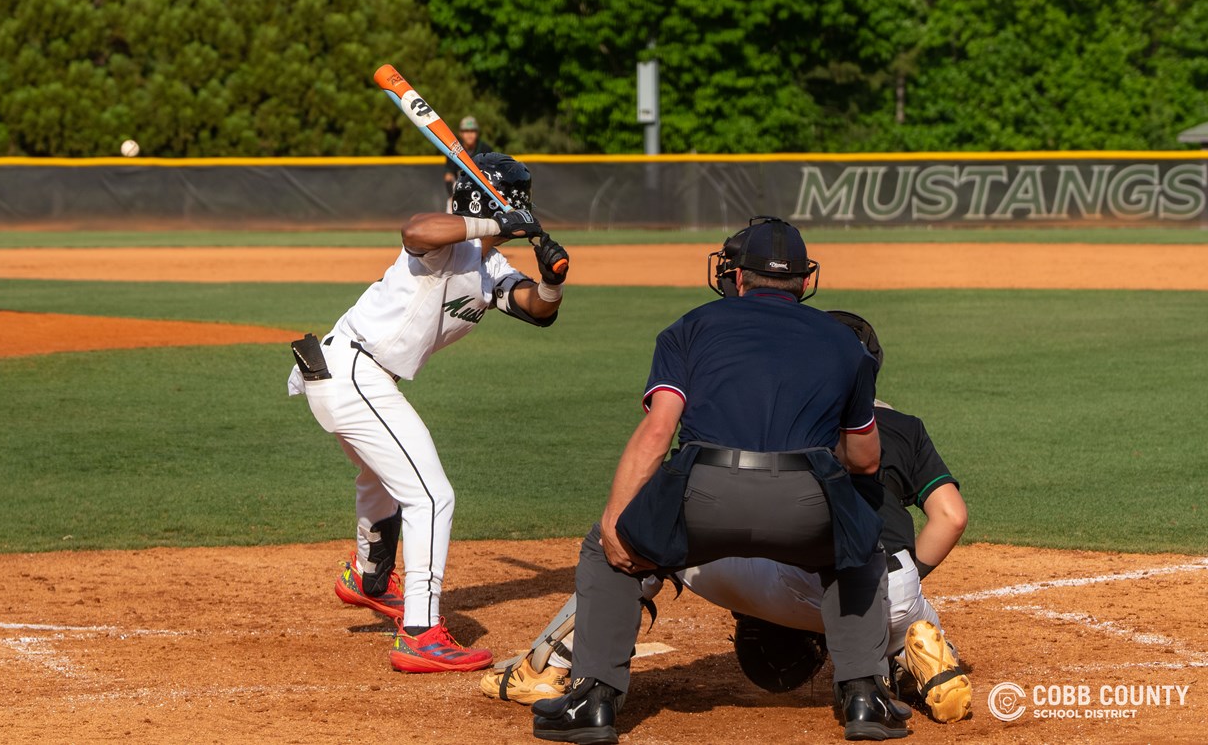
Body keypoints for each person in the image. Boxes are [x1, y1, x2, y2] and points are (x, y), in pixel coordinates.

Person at [482, 310, 973, 725]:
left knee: (649, 539)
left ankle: (551, 664)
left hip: (798, 578)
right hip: (892, 586)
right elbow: (950, 517)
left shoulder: (793, 414)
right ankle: (913, 661)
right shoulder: (906, 428)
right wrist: (887, 583)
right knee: (892, 593)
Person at [530, 216, 911, 743]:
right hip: (805, 503)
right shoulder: (844, 343)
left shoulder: (691, 327)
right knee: (861, 546)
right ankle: (864, 697)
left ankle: (594, 702)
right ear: (804, 282)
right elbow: (866, 460)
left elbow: (658, 430)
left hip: (701, 493)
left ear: (735, 277)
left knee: (606, 548)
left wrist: (616, 520)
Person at [287, 152, 569, 673]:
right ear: (495, 203)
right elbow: (415, 228)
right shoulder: (448, 247)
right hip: (354, 373)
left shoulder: (489, 265)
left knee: (381, 477)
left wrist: (552, 282)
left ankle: (368, 577)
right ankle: (420, 631)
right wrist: (498, 220)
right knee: (432, 496)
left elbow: (534, 309)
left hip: (349, 376)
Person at [444, 116, 493, 209]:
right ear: (460, 133)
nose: (469, 134)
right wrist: (451, 196)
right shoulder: (453, 150)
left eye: (472, 131)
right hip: (459, 188)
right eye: (466, 131)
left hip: (481, 190)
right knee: (451, 211)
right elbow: (448, 177)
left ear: (477, 133)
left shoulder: (485, 149)